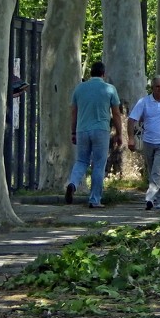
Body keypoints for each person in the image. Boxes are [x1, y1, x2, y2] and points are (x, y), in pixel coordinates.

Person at [65, 61, 123, 209]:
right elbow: (116, 113)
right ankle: (94, 200)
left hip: (82, 129)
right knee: (98, 165)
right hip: (101, 130)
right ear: (104, 74)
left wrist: (73, 131)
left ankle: (72, 184)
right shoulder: (110, 89)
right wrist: (119, 133)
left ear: (90, 73)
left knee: (81, 161)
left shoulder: (79, 89)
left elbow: (73, 112)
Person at [127, 75, 160, 211]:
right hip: (149, 142)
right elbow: (131, 119)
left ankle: (150, 198)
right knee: (154, 171)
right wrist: (131, 138)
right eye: (157, 86)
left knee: (158, 171)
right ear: (152, 87)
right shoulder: (144, 102)